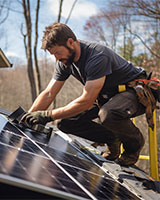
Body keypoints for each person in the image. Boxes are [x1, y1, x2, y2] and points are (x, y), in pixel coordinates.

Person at [22, 22, 147, 166]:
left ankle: (134, 146)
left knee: (108, 113)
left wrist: (47, 115)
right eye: (53, 55)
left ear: (70, 42)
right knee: (65, 122)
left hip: (133, 91)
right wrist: (28, 117)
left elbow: (87, 101)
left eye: (57, 53)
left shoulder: (97, 56)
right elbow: (49, 93)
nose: (56, 58)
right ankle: (112, 138)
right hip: (105, 96)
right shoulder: (64, 63)